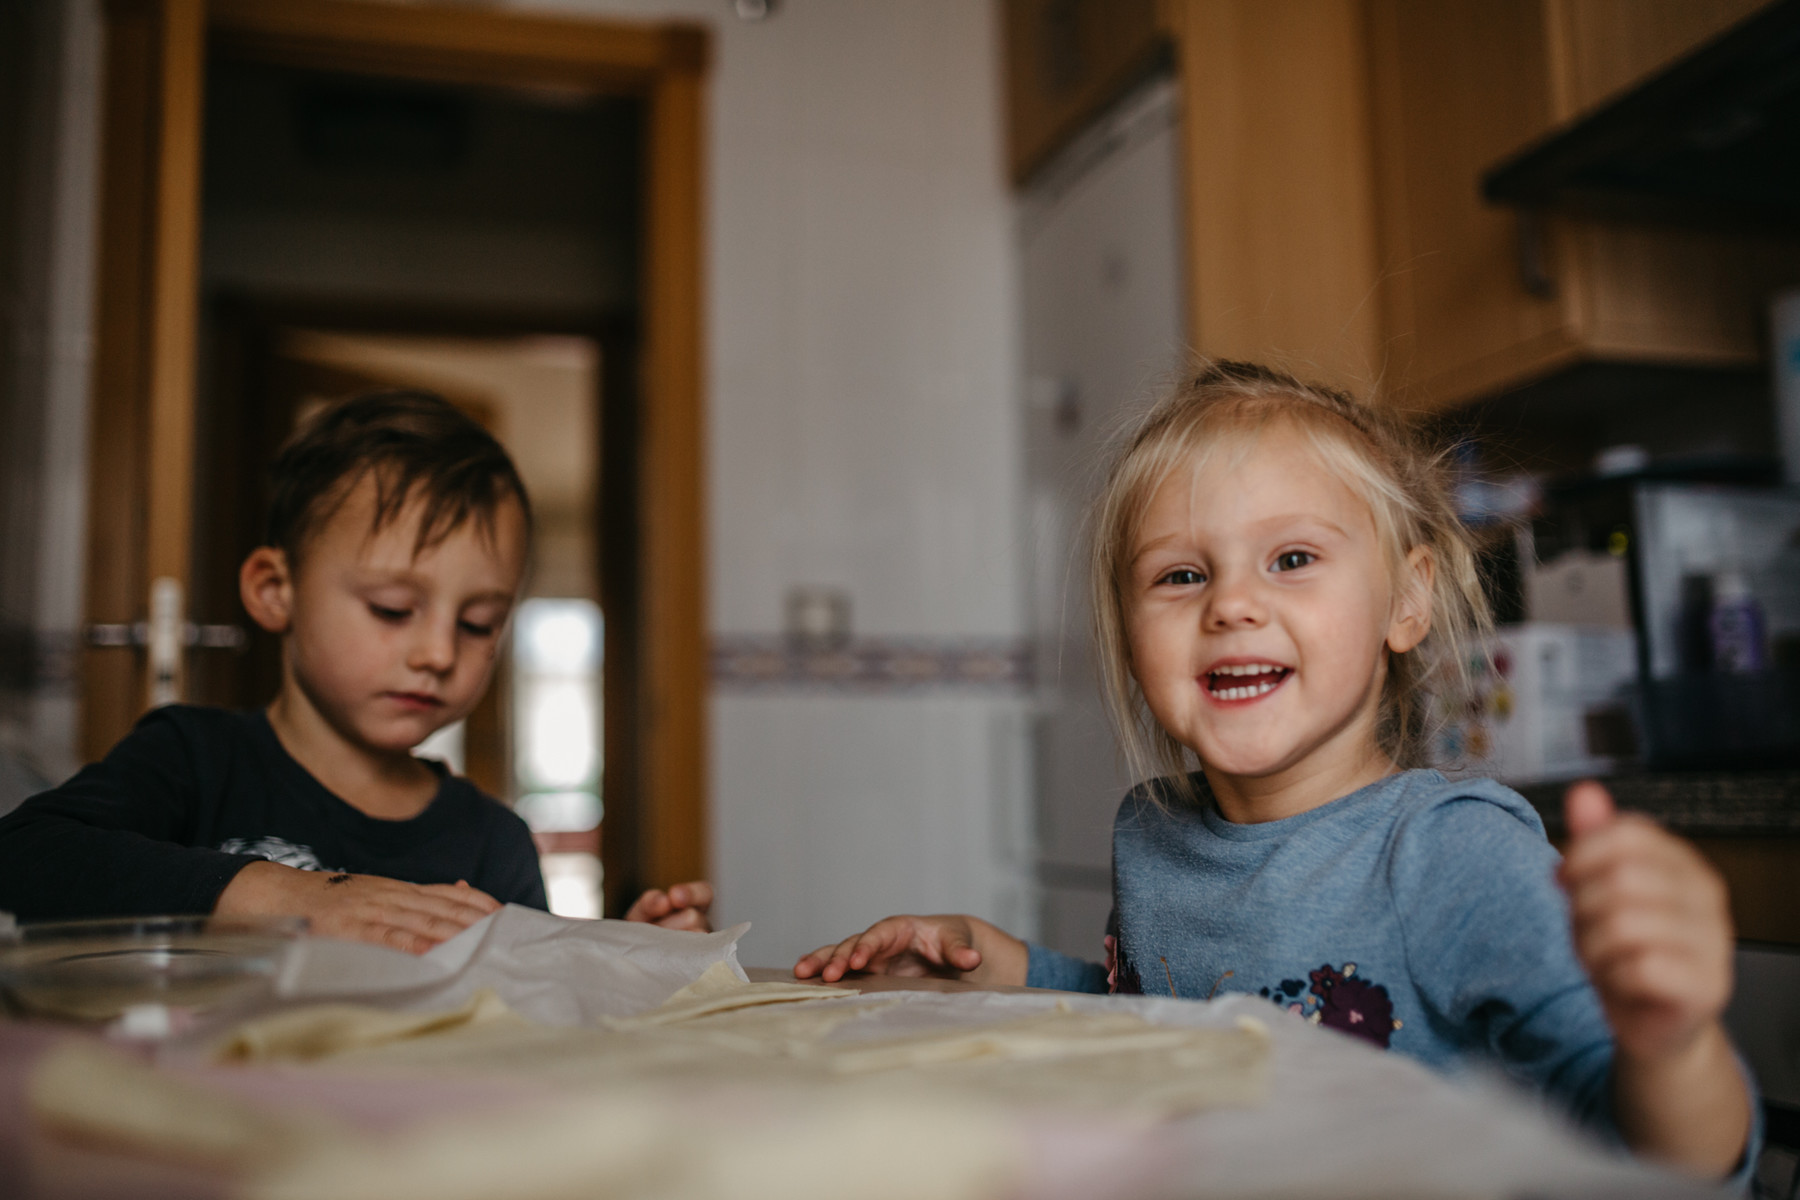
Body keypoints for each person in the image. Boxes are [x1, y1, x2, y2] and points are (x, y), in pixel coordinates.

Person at [794, 362, 1754, 1179]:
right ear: (1129, 638)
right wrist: (994, 966)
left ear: (1407, 602)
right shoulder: (1153, 830)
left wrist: (1671, 1046)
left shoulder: (1450, 850)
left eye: (1291, 557)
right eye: (1180, 575)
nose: (1232, 605)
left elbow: (1662, 1159)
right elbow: (1166, 1023)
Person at [0, 391, 711, 951]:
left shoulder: (492, 841)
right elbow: (27, 858)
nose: (438, 653)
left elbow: (521, 1009)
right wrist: (289, 898)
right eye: (392, 607)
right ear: (275, 590)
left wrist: (623, 959)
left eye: (477, 624)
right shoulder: (193, 759)